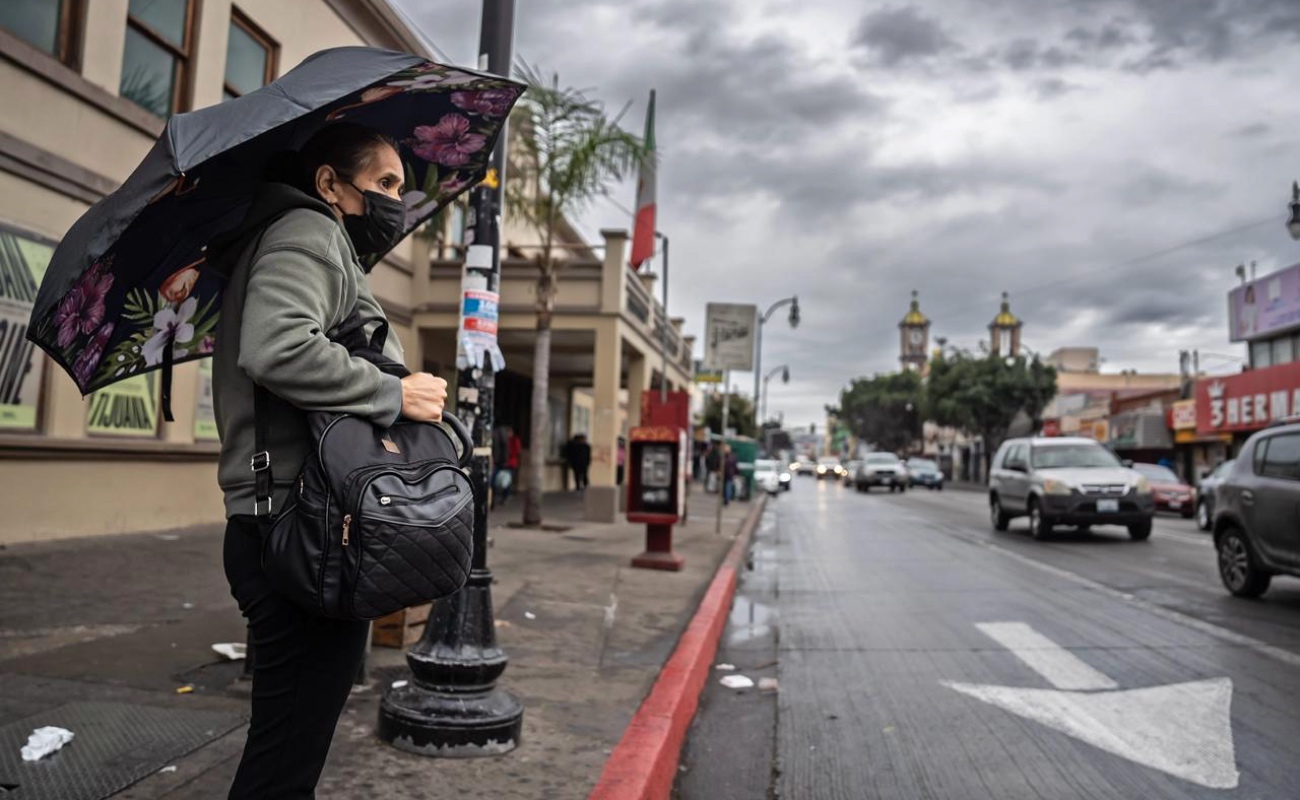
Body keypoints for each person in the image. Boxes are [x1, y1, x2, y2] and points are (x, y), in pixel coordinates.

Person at [210, 122, 448, 799]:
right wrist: (393, 389)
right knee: (286, 756)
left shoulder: (309, 241)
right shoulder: (308, 232)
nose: (397, 201)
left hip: (296, 518)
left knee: (292, 743)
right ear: (329, 184)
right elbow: (276, 347)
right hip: (297, 526)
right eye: (385, 184)